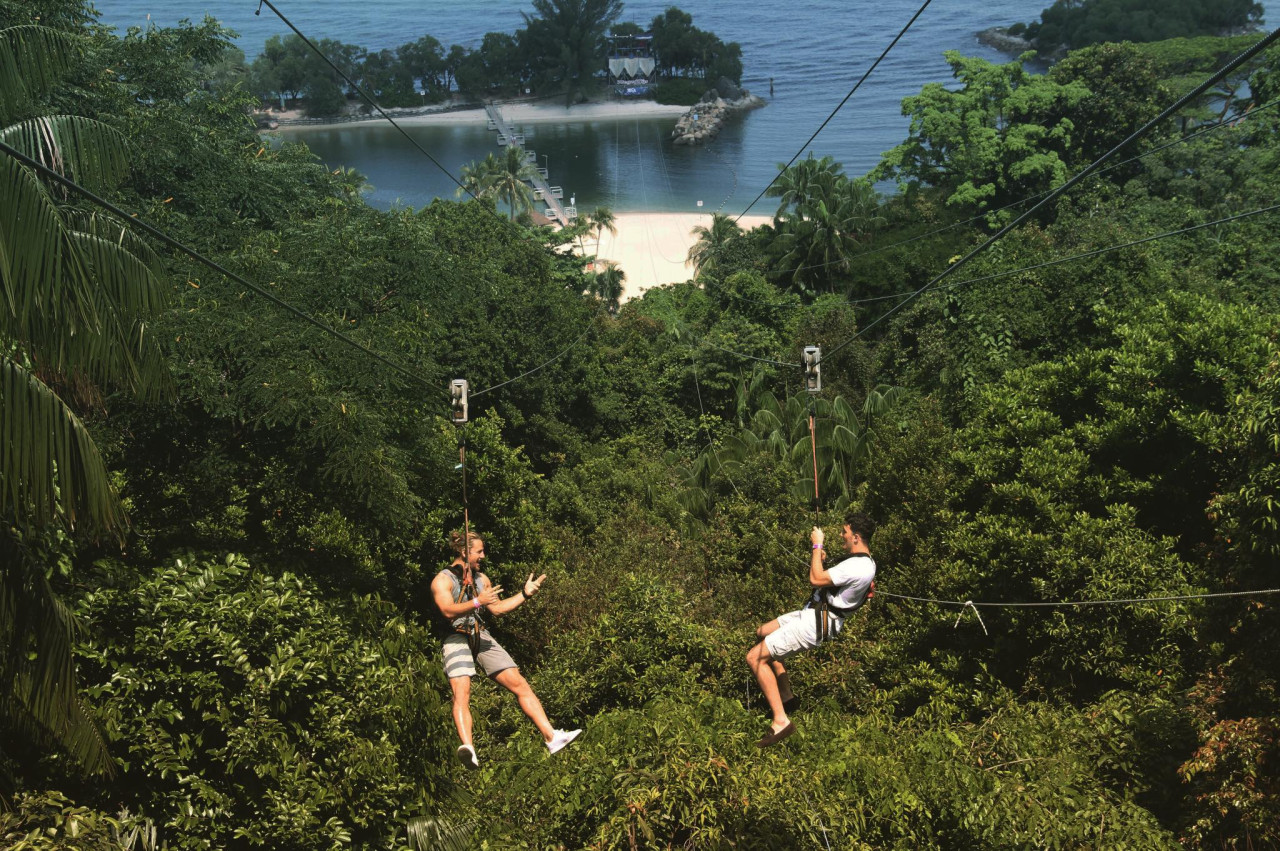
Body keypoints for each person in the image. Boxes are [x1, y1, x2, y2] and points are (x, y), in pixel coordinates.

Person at [432, 529, 581, 768]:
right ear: (464, 552)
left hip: (479, 634)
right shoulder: (443, 579)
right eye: (479, 551)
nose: (483, 556)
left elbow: (498, 609)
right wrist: (478, 601)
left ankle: (551, 737)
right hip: (455, 636)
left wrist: (524, 594)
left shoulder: (482, 580)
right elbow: (448, 610)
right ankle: (468, 747)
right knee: (462, 693)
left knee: (519, 683)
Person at [746, 511, 876, 747]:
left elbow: (816, 579)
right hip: (815, 613)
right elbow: (832, 582)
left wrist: (817, 544)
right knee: (762, 632)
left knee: (754, 657)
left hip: (816, 621)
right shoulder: (866, 563)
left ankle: (780, 721)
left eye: (845, 532)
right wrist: (822, 560)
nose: (841, 536)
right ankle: (786, 696)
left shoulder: (856, 566)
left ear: (856, 537)